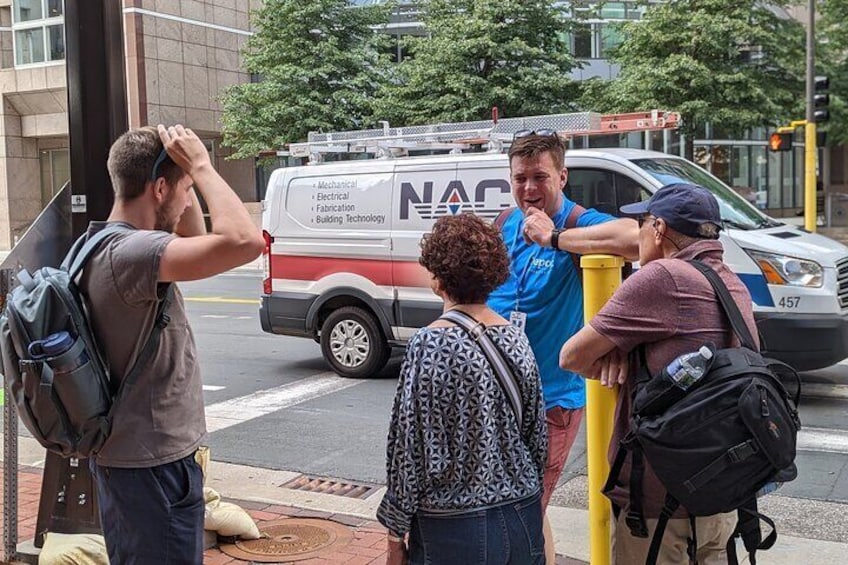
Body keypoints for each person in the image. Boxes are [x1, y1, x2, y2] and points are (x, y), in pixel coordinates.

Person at [81, 124, 264, 563]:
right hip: (151, 467)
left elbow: (195, 241)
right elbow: (244, 242)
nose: (189, 200)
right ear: (159, 188)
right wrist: (200, 164)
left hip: (138, 459)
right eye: (184, 191)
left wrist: (184, 176)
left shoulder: (107, 245)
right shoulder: (133, 254)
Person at [559, 183, 756, 564]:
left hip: (658, 505)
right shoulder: (734, 284)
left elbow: (572, 357)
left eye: (642, 223)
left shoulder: (662, 277)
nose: (638, 232)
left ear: (659, 229)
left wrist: (620, 352)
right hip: (721, 494)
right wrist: (628, 350)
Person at [377, 213, 548, 565]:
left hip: (453, 527)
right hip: (521, 514)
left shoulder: (430, 343)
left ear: (438, 277)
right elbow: (537, 440)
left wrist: (396, 531)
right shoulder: (516, 339)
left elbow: (410, 450)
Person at [488, 131, 638, 512]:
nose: (529, 188)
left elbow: (636, 238)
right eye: (520, 178)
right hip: (496, 395)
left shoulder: (576, 222)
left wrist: (554, 237)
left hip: (550, 402)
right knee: (502, 507)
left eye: (540, 176)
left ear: (562, 177)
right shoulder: (504, 223)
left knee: (525, 511)